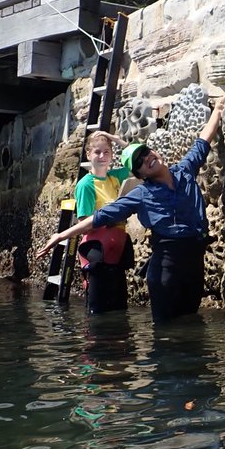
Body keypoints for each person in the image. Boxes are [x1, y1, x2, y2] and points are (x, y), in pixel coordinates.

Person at [39, 101, 223, 322]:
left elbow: (203, 140)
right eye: (141, 162)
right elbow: (99, 218)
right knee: (167, 336)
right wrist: (61, 235)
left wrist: (219, 110)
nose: (147, 159)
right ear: (141, 174)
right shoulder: (141, 193)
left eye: (146, 152)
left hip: (195, 263)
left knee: (191, 327)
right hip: (166, 268)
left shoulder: (185, 171)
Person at [74, 130, 135, 314]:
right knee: (98, 312)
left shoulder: (115, 177)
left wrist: (117, 140)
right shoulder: (86, 185)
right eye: (97, 152)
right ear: (88, 155)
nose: (102, 156)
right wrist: (113, 217)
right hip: (97, 252)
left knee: (119, 309)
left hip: (116, 251)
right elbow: (84, 220)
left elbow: (138, 160)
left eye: (106, 152)